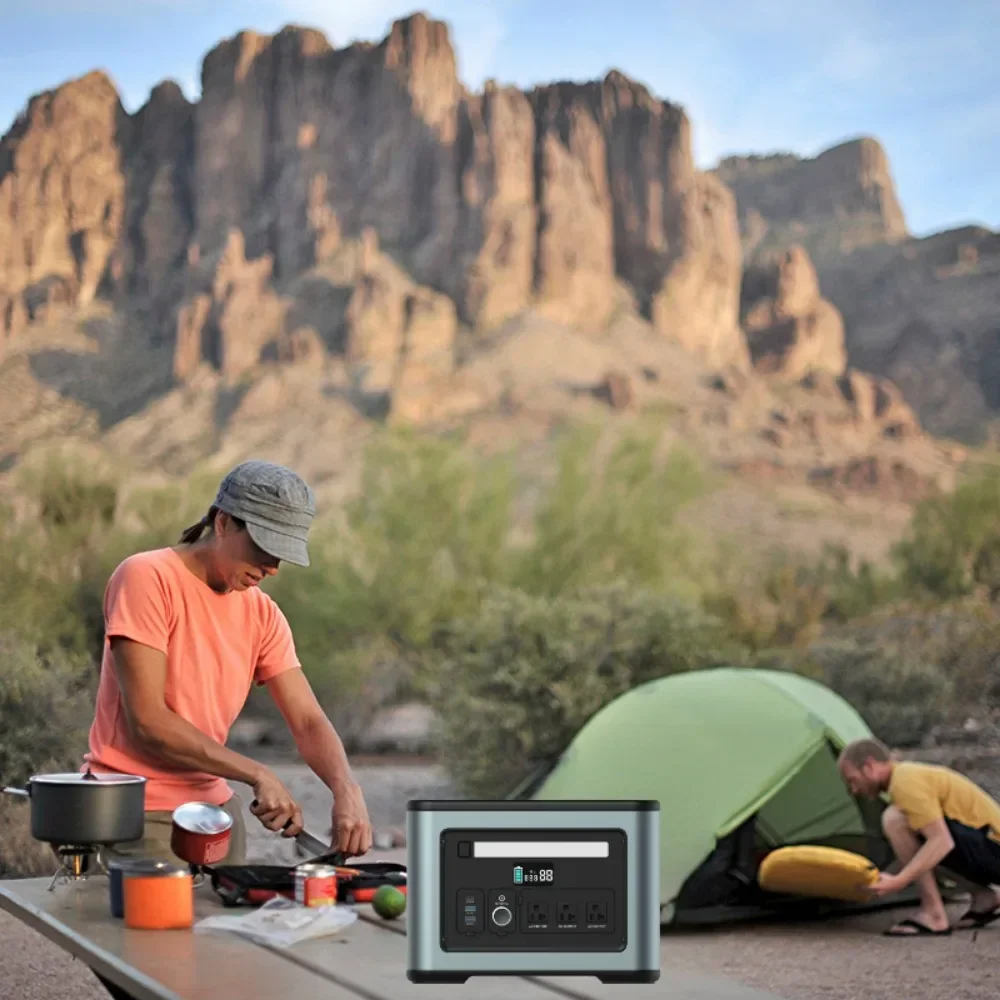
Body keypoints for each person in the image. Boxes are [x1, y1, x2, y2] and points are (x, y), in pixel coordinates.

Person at [82, 459, 373, 867]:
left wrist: (346, 789)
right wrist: (257, 773)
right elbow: (149, 722)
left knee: (229, 931)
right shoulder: (147, 578)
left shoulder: (263, 614)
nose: (271, 567)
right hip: (138, 813)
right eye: (262, 547)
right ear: (222, 522)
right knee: (156, 932)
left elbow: (308, 721)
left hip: (217, 817)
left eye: (281, 555)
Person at [838, 737, 1000, 936]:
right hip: (987, 846)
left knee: (894, 819)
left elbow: (942, 841)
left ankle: (934, 915)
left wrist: (898, 881)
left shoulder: (904, 782)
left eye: (852, 780)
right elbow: (917, 850)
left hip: (994, 848)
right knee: (915, 837)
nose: (854, 790)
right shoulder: (907, 776)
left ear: (869, 766)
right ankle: (983, 897)